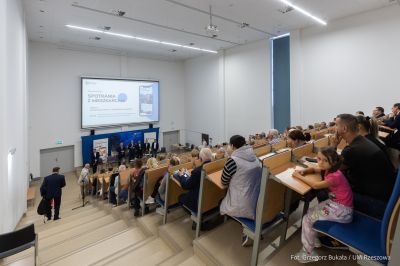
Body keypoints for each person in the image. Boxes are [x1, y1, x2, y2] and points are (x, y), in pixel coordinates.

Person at [292, 147, 353, 263]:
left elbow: (315, 186)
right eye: (319, 159)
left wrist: (299, 176)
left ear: (334, 162)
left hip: (341, 211)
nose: (320, 162)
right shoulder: (330, 170)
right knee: (310, 211)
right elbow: (315, 169)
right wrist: (305, 171)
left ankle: (308, 252)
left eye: (325, 160)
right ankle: (314, 240)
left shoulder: (335, 176)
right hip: (336, 205)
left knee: (307, 219)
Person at [334, 114, 396, 219]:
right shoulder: (363, 141)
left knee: (325, 190)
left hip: (376, 203)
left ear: (344, 128)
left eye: (336, 125)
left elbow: (332, 169)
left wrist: (333, 145)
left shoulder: (352, 150)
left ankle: (335, 221)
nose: (334, 128)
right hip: (387, 197)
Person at [219, 135, 262, 246]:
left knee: (221, 203)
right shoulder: (254, 155)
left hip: (241, 202)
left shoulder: (232, 161)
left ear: (232, 146)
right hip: (256, 197)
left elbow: (223, 181)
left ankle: (247, 229)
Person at [176, 148, 212, 213]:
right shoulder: (214, 166)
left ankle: (194, 216)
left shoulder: (197, 171)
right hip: (210, 200)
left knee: (180, 197)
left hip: (198, 201)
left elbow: (185, 186)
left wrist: (182, 175)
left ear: (200, 158)